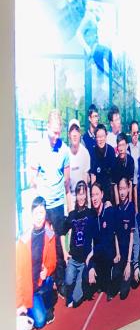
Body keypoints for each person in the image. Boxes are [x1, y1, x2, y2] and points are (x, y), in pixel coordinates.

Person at [29, 110, 70, 287]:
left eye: (59, 132)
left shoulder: (64, 150)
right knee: (44, 244)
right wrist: (39, 190)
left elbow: (67, 180)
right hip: (45, 205)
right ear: (47, 128)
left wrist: (68, 206)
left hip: (58, 205)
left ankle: (60, 282)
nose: (56, 136)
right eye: (54, 132)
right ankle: (44, 282)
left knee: (59, 245)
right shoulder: (38, 149)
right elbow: (32, 176)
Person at [15, 197, 60, 330]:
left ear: (45, 213)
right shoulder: (23, 241)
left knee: (49, 280)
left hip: (42, 283)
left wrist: (47, 270)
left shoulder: (50, 234)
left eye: (42, 212)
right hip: (30, 289)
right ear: (31, 215)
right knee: (40, 322)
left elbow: (53, 261)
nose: (39, 217)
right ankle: (30, 306)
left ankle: (44, 302)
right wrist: (20, 304)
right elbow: (17, 275)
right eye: (36, 213)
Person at [62, 181, 96, 306]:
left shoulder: (91, 213)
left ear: (86, 195)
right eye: (79, 194)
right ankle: (71, 282)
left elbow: (97, 236)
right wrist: (65, 252)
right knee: (68, 281)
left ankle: (82, 282)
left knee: (77, 300)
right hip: (73, 260)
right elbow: (62, 233)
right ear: (76, 196)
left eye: (83, 194)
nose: (81, 197)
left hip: (84, 262)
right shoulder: (72, 215)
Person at [90, 183, 119, 301]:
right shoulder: (92, 216)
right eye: (92, 195)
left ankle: (109, 279)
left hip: (108, 254)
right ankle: (100, 278)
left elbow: (110, 239)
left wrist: (92, 253)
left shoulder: (109, 212)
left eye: (97, 194)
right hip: (98, 255)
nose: (94, 198)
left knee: (114, 283)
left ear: (102, 194)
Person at [113, 177, 135, 298]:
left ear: (128, 189)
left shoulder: (131, 208)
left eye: (124, 188)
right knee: (114, 277)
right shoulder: (117, 209)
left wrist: (128, 262)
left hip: (129, 255)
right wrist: (117, 253)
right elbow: (116, 234)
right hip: (120, 254)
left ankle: (132, 270)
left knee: (123, 294)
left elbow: (132, 237)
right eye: (120, 189)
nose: (122, 192)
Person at [89, 125, 116, 201]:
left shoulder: (111, 151)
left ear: (106, 136)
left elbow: (113, 176)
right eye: (98, 137)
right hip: (97, 190)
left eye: (102, 136)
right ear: (95, 138)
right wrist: (93, 195)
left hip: (109, 189)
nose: (100, 139)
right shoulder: (93, 152)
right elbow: (93, 175)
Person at [65, 121, 92, 195]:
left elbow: (85, 178)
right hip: (70, 195)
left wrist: (84, 197)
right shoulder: (66, 154)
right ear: (69, 135)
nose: (74, 134)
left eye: (76, 130)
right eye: (72, 131)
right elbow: (66, 183)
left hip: (82, 195)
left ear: (80, 134)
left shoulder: (85, 153)